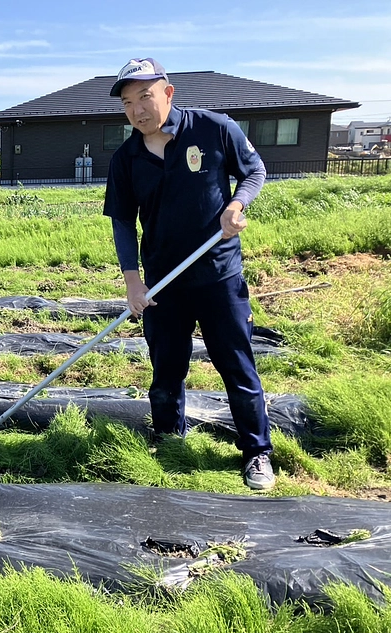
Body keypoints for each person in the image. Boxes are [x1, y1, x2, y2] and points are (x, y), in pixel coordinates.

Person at [102, 58, 275, 490]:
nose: (138, 110)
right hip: (163, 283)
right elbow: (122, 222)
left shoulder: (213, 129)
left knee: (237, 367)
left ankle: (257, 453)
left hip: (218, 277)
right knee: (166, 371)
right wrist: (133, 281)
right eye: (128, 103)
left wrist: (236, 206)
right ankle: (168, 441)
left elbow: (254, 172)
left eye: (145, 96)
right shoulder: (126, 159)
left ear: (168, 93)